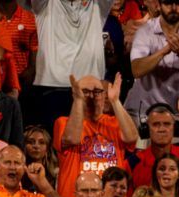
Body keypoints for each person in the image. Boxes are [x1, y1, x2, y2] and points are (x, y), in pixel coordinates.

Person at [23, 0, 114, 129]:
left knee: (86, 144)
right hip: (49, 90)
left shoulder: (98, 6)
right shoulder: (45, 5)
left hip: (89, 92)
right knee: (51, 144)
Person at [55, 74, 139, 197]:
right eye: (85, 92)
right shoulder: (63, 123)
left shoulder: (115, 123)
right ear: (75, 94)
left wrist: (115, 101)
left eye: (97, 92)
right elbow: (72, 138)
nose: (91, 96)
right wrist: (78, 101)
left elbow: (132, 137)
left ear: (104, 95)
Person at [122, 0, 179, 122]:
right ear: (146, 2)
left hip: (175, 109)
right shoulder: (138, 27)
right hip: (141, 109)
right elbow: (137, 70)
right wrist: (164, 50)